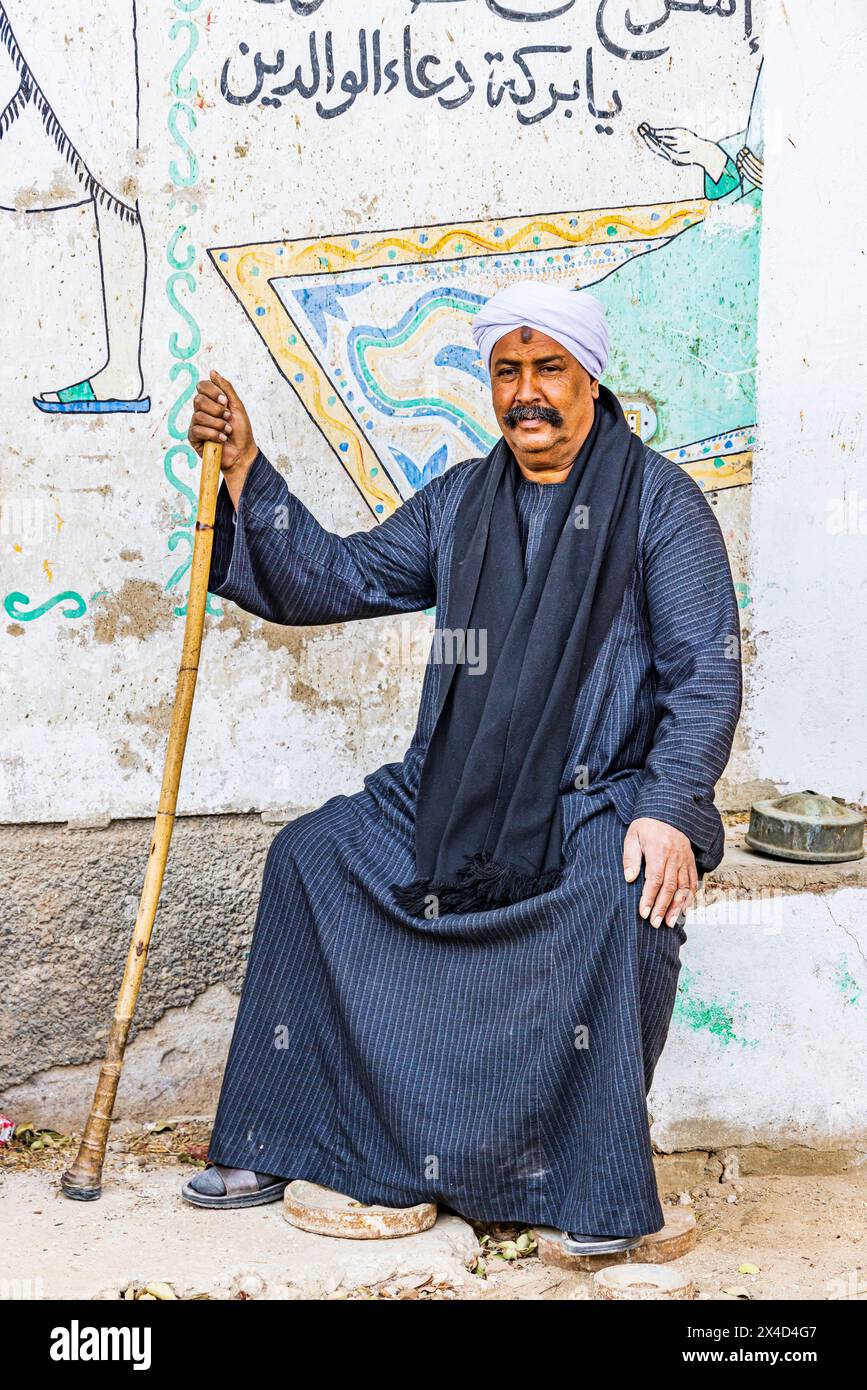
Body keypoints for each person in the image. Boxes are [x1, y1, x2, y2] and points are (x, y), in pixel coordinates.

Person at [181, 280, 742, 1256]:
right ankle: (286, 1136)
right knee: (312, 856)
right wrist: (246, 472)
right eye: (508, 371)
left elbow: (705, 675)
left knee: (630, 895)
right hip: (451, 794)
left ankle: (579, 1181)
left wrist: (668, 808)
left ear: (591, 378)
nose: (528, 392)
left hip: (593, 801)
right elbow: (338, 577)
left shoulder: (662, 505)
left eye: (549, 370)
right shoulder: (460, 503)